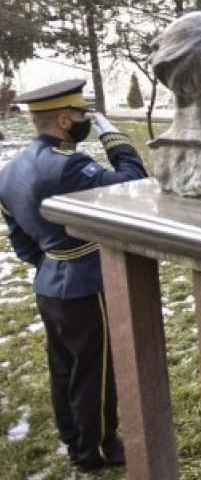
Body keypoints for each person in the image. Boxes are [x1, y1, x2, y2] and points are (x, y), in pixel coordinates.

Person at [0, 79, 148, 472]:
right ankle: (95, 450)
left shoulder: (9, 170)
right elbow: (134, 182)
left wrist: (53, 262)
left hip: (50, 280)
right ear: (65, 120)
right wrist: (112, 134)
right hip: (84, 282)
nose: (86, 122)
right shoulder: (70, 166)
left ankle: (73, 437)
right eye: (83, 116)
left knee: (64, 366)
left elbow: (21, 240)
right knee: (95, 372)